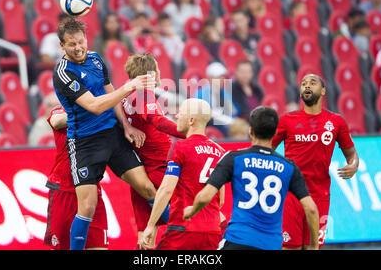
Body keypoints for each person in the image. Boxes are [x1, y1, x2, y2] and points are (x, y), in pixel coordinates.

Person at [52, 16, 160, 250]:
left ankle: (181, 233)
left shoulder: (95, 59)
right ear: (62, 46)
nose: (78, 48)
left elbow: (110, 95)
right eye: (72, 44)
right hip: (84, 143)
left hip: (112, 134)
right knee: (87, 208)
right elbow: (95, 105)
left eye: (81, 42)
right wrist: (129, 86)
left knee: (148, 188)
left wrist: (126, 126)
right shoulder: (62, 73)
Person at [184, 106, 319, 250]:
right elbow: (311, 209)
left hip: (238, 240)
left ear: (251, 131)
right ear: (275, 133)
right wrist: (314, 245)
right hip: (271, 245)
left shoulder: (234, 159)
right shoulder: (289, 166)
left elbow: (205, 196)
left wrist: (191, 211)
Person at [272, 73, 359, 250]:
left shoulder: (336, 121)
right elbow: (266, 147)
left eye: (312, 83)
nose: (307, 86)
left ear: (323, 90)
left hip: (320, 195)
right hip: (291, 195)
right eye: (303, 84)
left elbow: (351, 154)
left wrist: (353, 165)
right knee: (290, 248)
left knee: (313, 248)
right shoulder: (287, 120)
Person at [141, 98, 226, 250]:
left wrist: (150, 225)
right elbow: (220, 200)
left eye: (181, 113)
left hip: (183, 230)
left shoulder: (181, 147)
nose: (177, 117)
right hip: (212, 232)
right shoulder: (220, 152)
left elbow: (166, 189)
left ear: (191, 120)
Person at [122, 53, 186, 249]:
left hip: (142, 168)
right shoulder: (144, 93)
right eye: (157, 69)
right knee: (189, 215)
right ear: (151, 73)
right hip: (159, 166)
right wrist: (187, 132)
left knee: (146, 235)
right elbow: (156, 120)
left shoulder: (124, 96)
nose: (159, 73)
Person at [44, 105, 108, 250]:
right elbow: (56, 121)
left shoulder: (102, 107)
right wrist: (90, 112)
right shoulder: (61, 109)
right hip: (64, 190)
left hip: (92, 191)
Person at [193, 62, 238, 135]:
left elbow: (234, 112)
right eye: (218, 77)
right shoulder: (200, 94)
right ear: (210, 78)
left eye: (222, 77)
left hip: (225, 126)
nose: (221, 79)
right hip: (207, 126)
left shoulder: (225, 94)